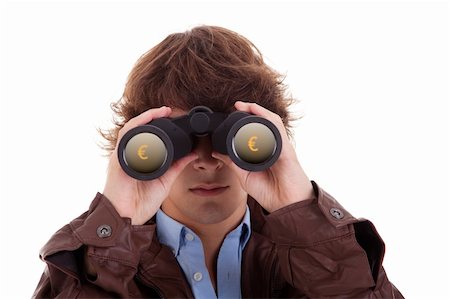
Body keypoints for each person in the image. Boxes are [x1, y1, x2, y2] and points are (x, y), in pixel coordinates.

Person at [33, 25, 404, 298]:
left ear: (273, 137)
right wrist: (114, 234)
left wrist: (302, 211)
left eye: (233, 137)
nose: (208, 161)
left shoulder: (310, 253)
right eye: (177, 141)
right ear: (135, 143)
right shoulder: (98, 262)